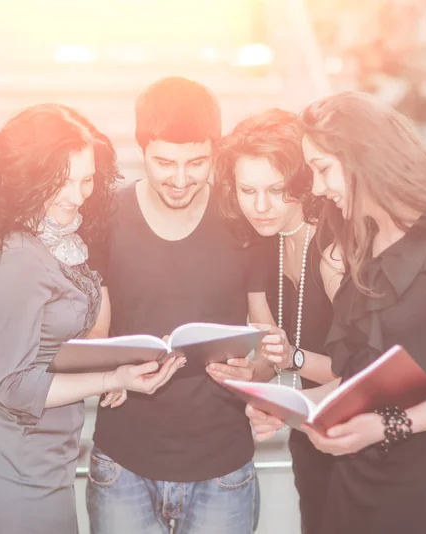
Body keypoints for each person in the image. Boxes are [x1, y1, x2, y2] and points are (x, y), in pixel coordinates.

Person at [247, 92, 426, 534]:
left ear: (361, 158)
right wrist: (290, 409)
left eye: (321, 170)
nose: (317, 189)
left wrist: (388, 426)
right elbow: (362, 381)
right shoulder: (360, 241)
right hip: (355, 475)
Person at [0, 103, 185, 534]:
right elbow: (14, 387)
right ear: (28, 176)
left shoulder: (51, 242)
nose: (78, 195)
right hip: (16, 467)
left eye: (86, 180)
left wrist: (120, 363)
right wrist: (114, 379)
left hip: (44, 461)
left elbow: (54, 347)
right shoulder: (19, 260)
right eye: (62, 181)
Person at [85, 77, 273, 534]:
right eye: (165, 162)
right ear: (142, 149)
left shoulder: (241, 218)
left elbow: (269, 339)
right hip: (122, 463)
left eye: (198, 163)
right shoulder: (105, 215)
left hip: (223, 465)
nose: (181, 178)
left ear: (216, 152)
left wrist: (259, 372)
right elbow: (97, 331)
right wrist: (104, 373)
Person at [212, 108, 343, 534]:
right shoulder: (258, 243)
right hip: (312, 436)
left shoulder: (335, 246)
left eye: (276, 190)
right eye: (247, 190)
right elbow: (273, 354)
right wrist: (255, 382)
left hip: (366, 436)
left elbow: (369, 366)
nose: (261, 206)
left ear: (302, 183)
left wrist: (293, 359)